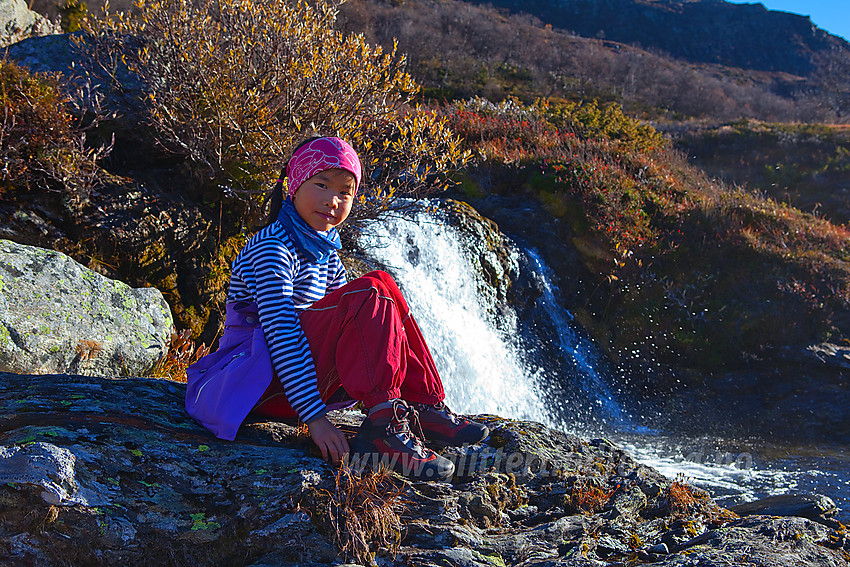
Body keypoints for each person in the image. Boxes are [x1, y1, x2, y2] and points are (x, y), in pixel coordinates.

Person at [185, 136, 489, 481]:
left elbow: (354, 332)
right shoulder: (273, 249)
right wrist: (315, 418)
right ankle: (382, 429)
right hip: (253, 383)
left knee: (383, 286)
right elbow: (280, 332)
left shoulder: (325, 251)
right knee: (372, 289)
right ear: (295, 185)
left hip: (291, 382)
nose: (332, 200)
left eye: (345, 192)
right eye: (321, 184)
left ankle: (420, 404)